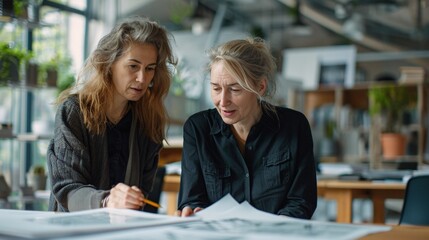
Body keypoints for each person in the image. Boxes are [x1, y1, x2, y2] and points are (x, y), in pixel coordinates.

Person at [176, 38, 317, 219]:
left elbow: (301, 201)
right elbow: (192, 199)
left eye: (235, 89)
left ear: (260, 86)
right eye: (216, 89)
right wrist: (192, 210)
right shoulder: (197, 129)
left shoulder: (294, 126)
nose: (223, 101)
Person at [47, 16, 176, 212]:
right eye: (133, 66)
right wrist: (107, 201)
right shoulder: (74, 112)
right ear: (109, 63)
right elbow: (67, 190)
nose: (142, 78)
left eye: (150, 69)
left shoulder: (149, 121)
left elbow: (143, 194)